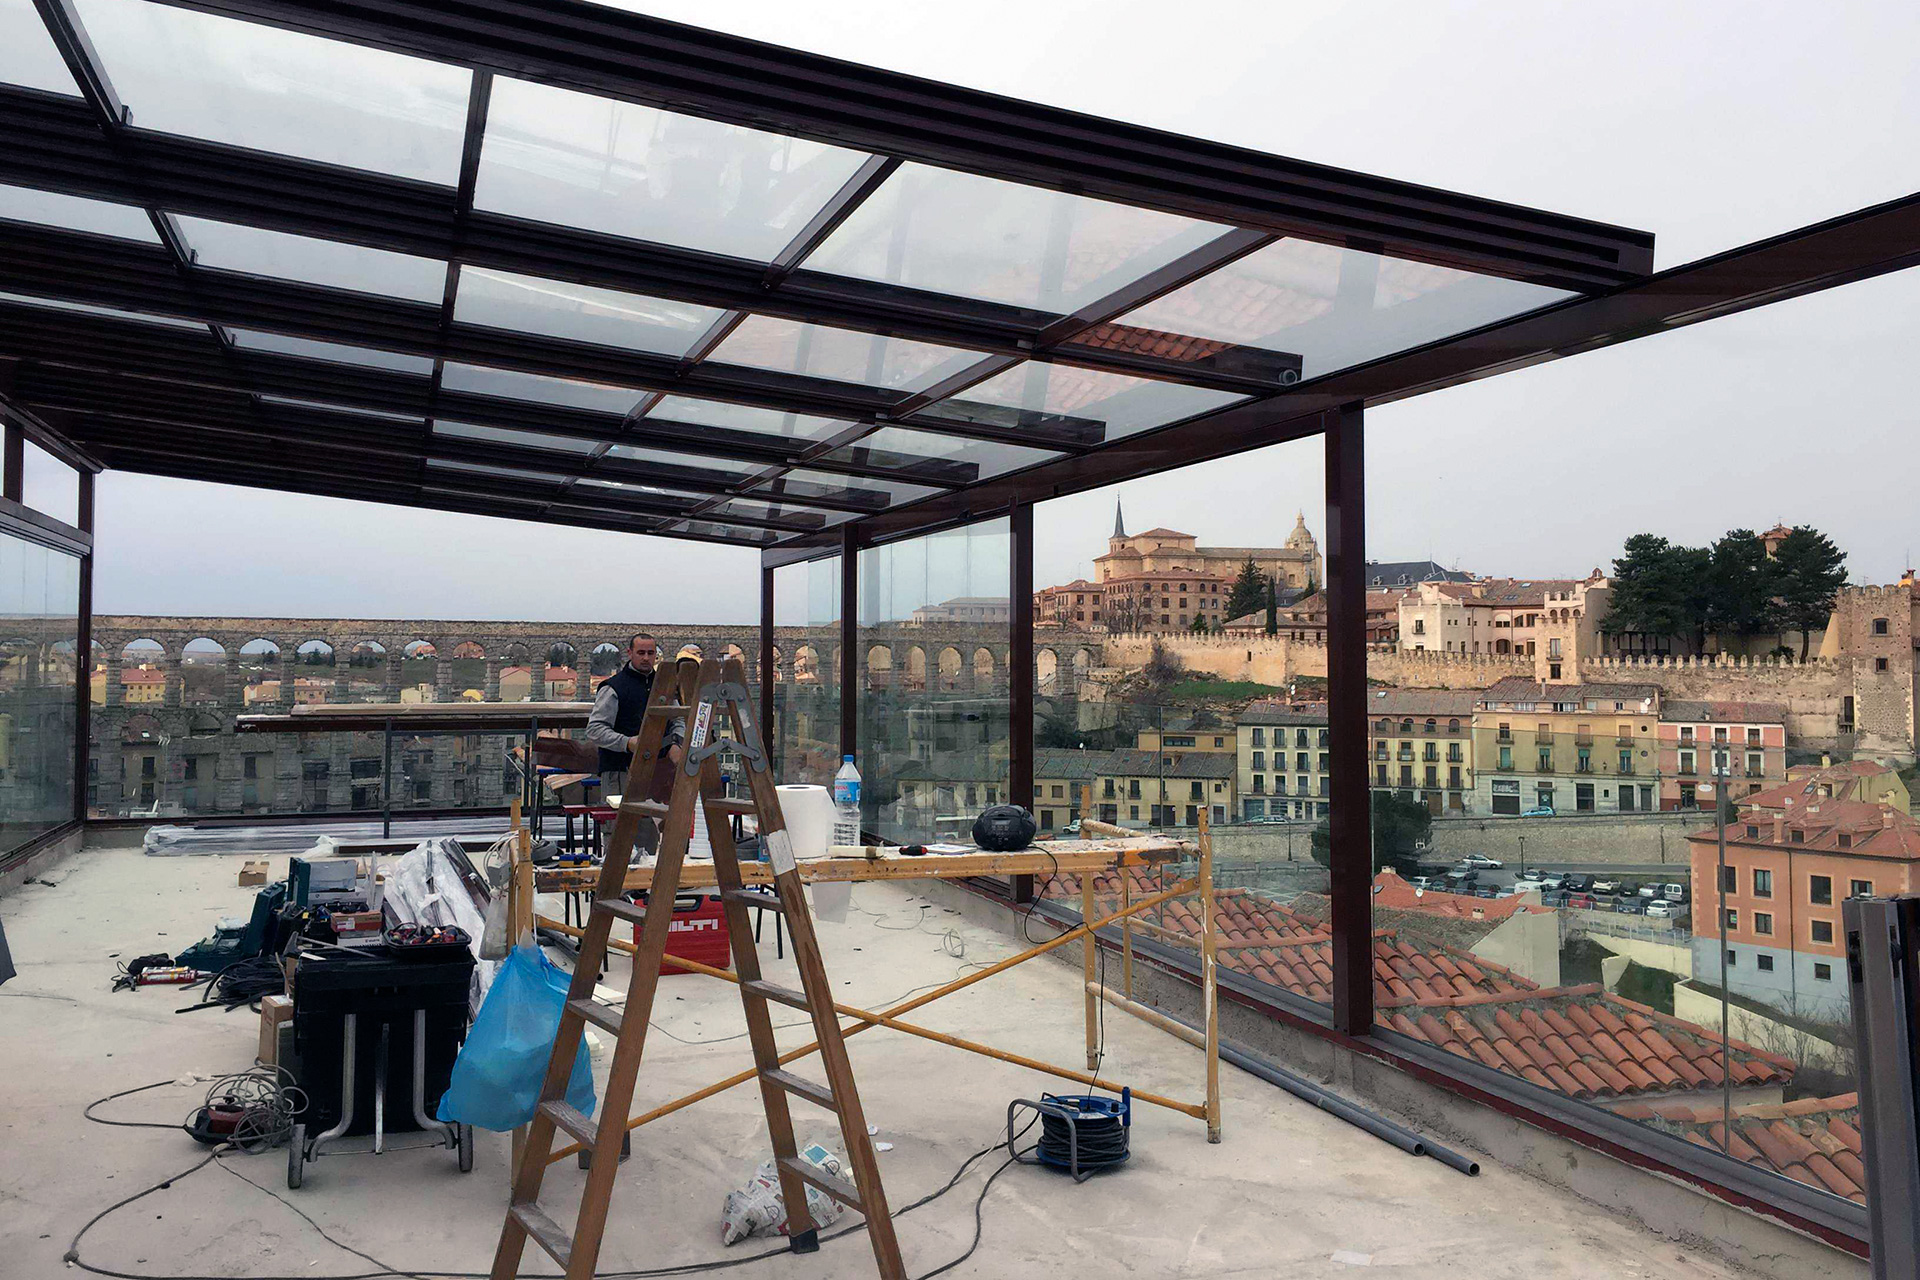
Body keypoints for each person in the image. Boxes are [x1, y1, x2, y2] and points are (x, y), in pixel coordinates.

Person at [585, 633, 685, 853]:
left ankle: (644, 885)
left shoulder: (665, 687)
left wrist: (677, 742)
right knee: (620, 833)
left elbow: (678, 718)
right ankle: (620, 888)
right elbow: (595, 730)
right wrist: (628, 742)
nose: (646, 658)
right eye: (641, 653)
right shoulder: (613, 688)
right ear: (629, 653)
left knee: (651, 833)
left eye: (651, 653)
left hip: (657, 774)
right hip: (620, 771)